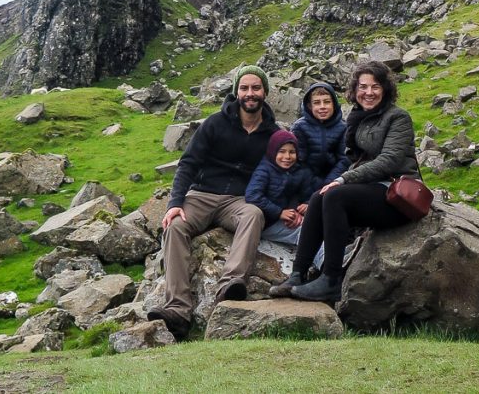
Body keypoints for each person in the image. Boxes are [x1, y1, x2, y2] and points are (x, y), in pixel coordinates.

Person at [270, 60, 421, 301]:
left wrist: (344, 179)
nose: (368, 92)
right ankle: (297, 275)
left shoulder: (398, 118)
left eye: (375, 87)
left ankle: (331, 279)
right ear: (355, 90)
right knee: (319, 196)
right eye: (362, 87)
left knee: (335, 195)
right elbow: (352, 158)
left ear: (385, 89)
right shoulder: (358, 118)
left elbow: (389, 161)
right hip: (371, 189)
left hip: (396, 194)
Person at [148, 65, 278, 340]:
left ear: (265, 91)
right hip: (202, 195)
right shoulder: (214, 123)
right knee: (175, 227)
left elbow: (279, 172)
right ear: (236, 92)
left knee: (254, 214)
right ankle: (178, 311)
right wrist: (175, 203)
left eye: (256, 88)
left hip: (240, 200)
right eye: (244, 88)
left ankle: (231, 284)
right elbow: (188, 164)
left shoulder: (273, 134)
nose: (250, 93)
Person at [246, 129, 324, 270]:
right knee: (306, 231)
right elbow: (252, 195)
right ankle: (326, 263)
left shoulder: (300, 171)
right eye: (281, 151)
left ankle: (337, 255)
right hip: (268, 222)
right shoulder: (265, 169)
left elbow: (310, 192)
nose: (287, 156)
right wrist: (279, 212)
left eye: (292, 152)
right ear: (272, 151)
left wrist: (306, 205)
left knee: (318, 224)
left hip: (289, 216)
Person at [290, 82, 349, 192]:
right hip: (305, 182)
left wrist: (329, 183)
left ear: (334, 104)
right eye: (317, 103)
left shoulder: (343, 127)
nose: (322, 107)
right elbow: (299, 162)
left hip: (333, 180)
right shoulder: (299, 127)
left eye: (327, 102)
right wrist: (315, 186)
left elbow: (344, 160)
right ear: (309, 106)